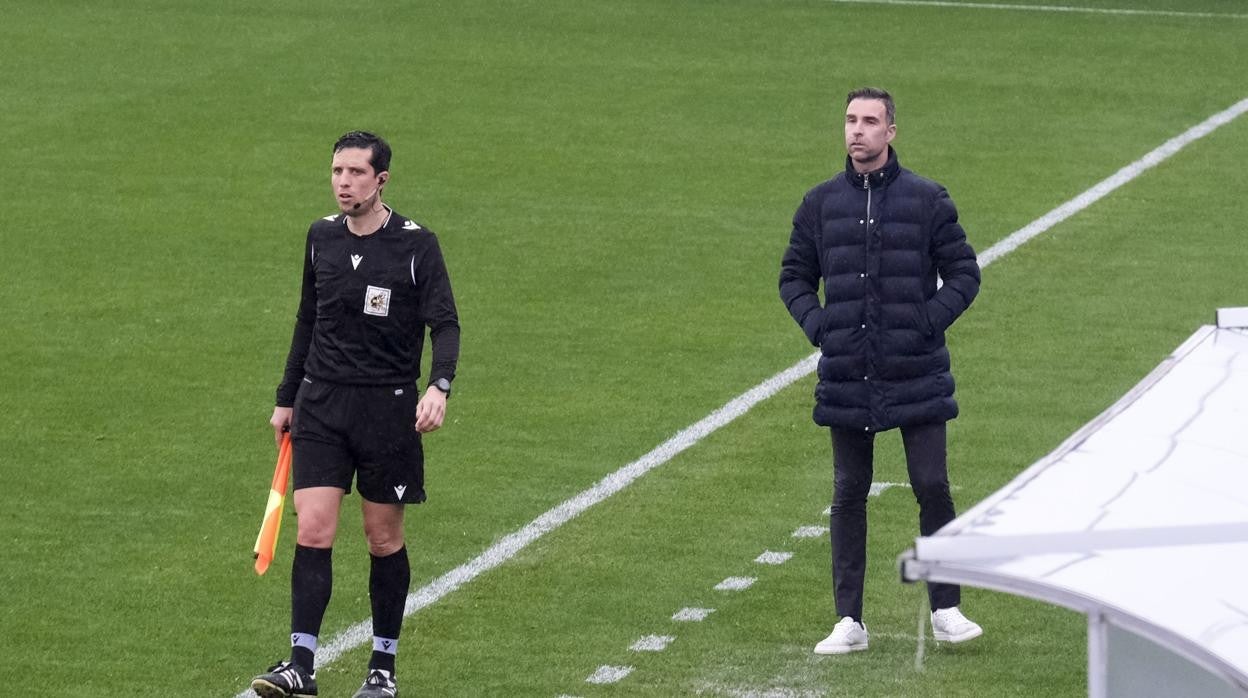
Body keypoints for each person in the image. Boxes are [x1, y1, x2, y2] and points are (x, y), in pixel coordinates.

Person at [251, 131, 460, 697]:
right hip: (322, 403)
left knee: (381, 537)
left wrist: (438, 386)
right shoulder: (321, 238)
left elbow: (445, 323)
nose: (344, 182)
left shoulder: (417, 246)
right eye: (337, 172)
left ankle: (382, 670)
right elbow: (306, 320)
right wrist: (285, 396)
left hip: (387, 409)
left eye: (355, 173)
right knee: (314, 528)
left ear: (381, 180)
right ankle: (300, 666)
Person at [779, 88, 982, 655]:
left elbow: (964, 272)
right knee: (848, 492)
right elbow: (793, 276)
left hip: (916, 369)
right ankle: (850, 621)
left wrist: (926, 321)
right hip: (847, 372)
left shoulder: (927, 199)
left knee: (932, 485)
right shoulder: (819, 204)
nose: (857, 131)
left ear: (891, 132)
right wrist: (819, 327)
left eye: (870, 121)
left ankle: (947, 608)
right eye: (850, 120)